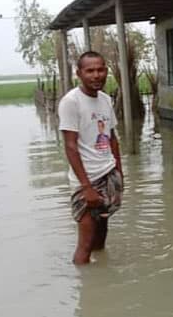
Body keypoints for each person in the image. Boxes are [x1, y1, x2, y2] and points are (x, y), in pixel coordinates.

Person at [58, 51, 123, 265]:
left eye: (101, 69)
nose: (96, 75)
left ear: (106, 71)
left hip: (108, 174)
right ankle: (86, 292)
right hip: (86, 180)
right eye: (90, 71)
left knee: (101, 238)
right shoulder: (71, 102)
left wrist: (119, 173)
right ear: (79, 74)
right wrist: (86, 187)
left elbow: (112, 137)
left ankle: (102, 285)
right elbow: (70, 146)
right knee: (85, 245)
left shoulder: (105, 99)